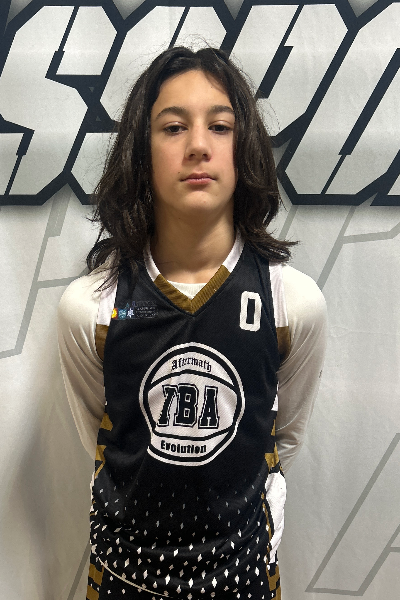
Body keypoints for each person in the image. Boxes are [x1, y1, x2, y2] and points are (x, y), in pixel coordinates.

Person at [58, 47, 327, 600]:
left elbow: (282, 438)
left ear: (244, 147)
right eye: (174, 127)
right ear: (142, 150)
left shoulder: (293, 302)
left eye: (220, 126)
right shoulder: (89, 307)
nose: (199, 145)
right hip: (124, 578)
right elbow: (104, 439)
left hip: (243, 579)